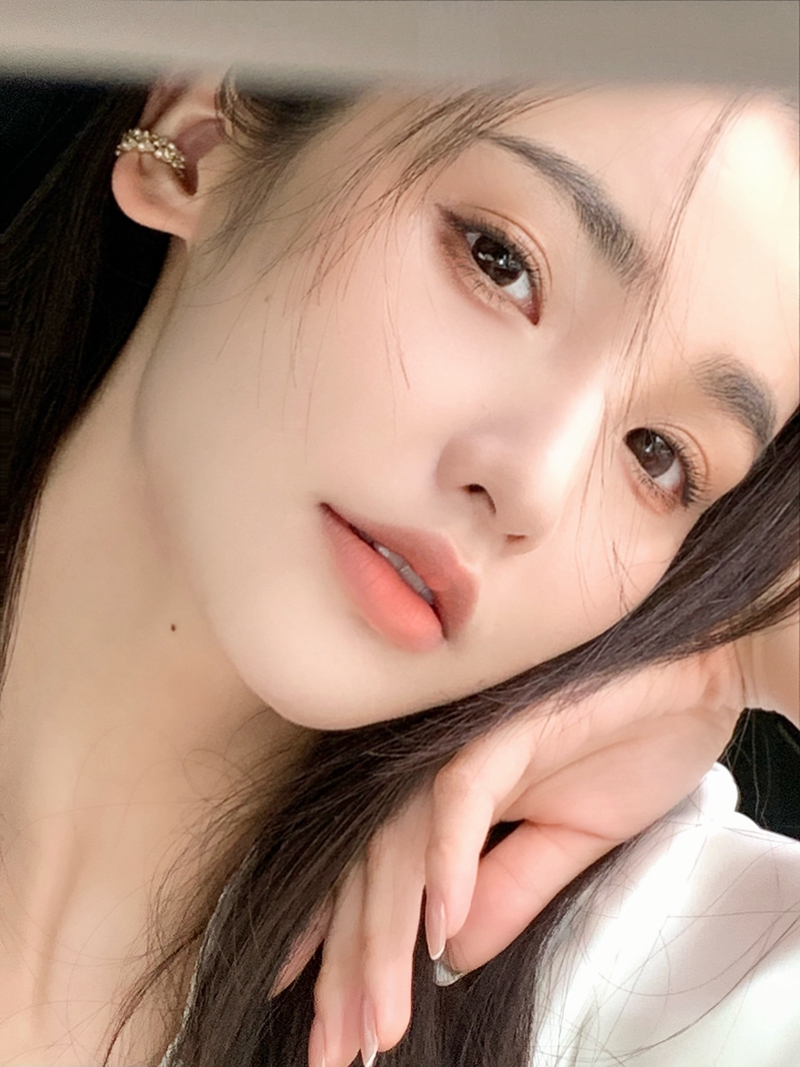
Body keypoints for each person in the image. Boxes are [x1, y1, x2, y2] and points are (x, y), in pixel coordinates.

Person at [2, 71, 797, 1067]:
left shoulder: (648, 974)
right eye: (500, 262)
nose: (534, 486)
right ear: (202, 138)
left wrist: (735, 659)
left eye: (658, 456)